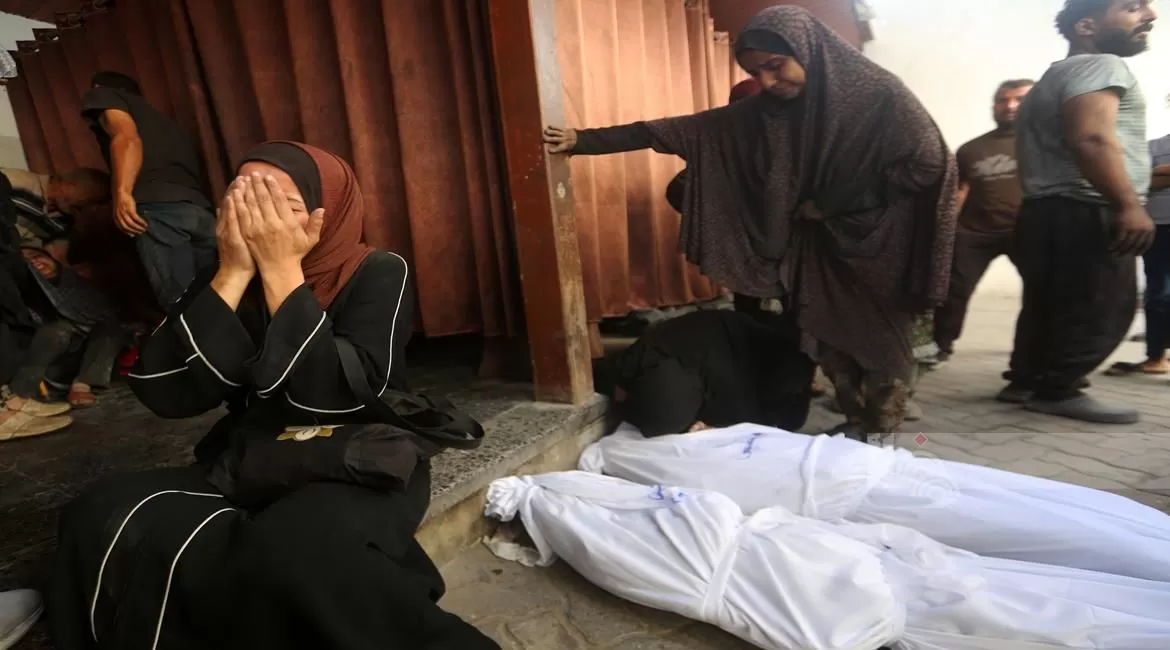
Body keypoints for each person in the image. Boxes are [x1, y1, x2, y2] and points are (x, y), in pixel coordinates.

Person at [50, 142, 497, 649]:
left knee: (294, 553)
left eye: (279, 205)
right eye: (243, 199)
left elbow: (338, 396)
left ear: (328, 210)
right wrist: (234, 273)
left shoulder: (376, 270)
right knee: (101, 514)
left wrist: (283, 273)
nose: (257, 219)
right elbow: (166, 392)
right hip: (257, 453)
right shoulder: (222, 274)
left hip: (356, 455)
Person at [544, 6, 957, 437]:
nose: (767, 82)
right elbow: (673, 130)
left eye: (775, 66)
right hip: (817, 253)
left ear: (809, 50)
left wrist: (830, 204)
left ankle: (880, 430)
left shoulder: (879, 95)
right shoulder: (768, 112)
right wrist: (581, 141)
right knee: (827, 336)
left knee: (881, 339)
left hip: (880, 246)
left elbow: (927, 162)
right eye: (755, 73)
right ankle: (857, 426)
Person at [999, 0, 1157, 423]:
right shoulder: (1102, 65)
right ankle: (1059, 390)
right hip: (1087, 207)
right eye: (1132, 7)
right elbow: (1091, 138)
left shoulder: (1052, 78)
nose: (1151, 15)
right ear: (1087, 26)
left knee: (1048, 302)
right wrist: (1128, 204)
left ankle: (1026, 381)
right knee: (1102, 306)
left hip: (1045, 209)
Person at [82, 71, 216, 307]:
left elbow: (127, 138)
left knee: (180, 303)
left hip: (161, 210)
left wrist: (122, 193)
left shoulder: (104, 95)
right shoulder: (166, 124)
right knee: (215, 299)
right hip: (199, 210)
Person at [931, 79, 1034, 363]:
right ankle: (939, 345)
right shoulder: (971, 149)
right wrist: (945, 230)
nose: (1010, 106)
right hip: (974, 232)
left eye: (1019, 99)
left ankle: (1033, 354)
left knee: (1041, 294)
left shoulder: (1047, 145)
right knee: (952, 290)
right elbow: (960, 190)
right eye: (1003, 100)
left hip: (1028, 231)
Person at [596, 309, 815, 437]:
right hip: (679, 358)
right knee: (662, 416)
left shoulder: (788, 372)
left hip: (725, 366)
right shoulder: (664, 385)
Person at [1107, 132, 1170, 376]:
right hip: (1160, 228)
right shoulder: (1153, 147)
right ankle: (1156, 356)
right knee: (1158, 293)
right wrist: (1157, 175)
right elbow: (1138, 181)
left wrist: (1161, 172)